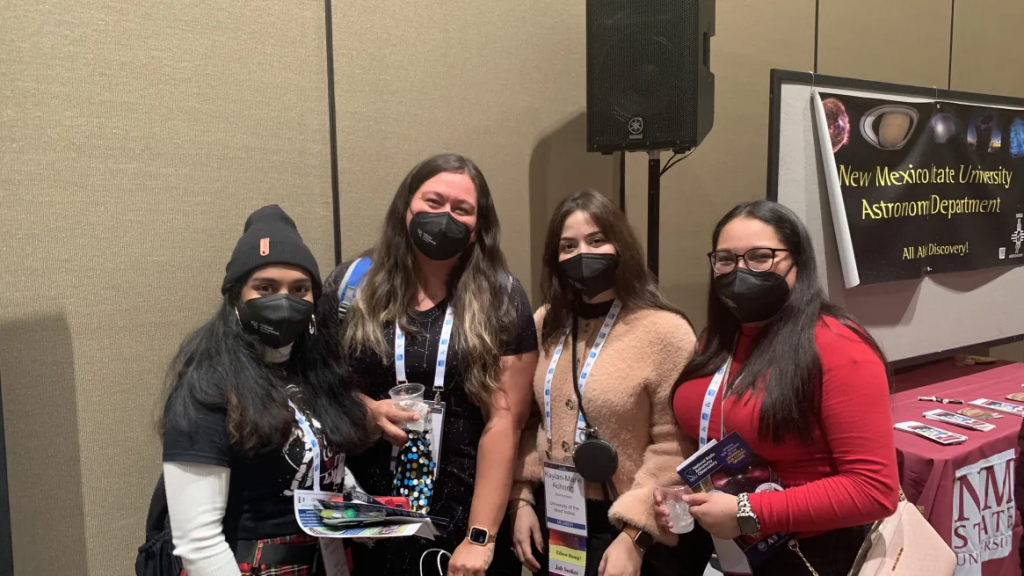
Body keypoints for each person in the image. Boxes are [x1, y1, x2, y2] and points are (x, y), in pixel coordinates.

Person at [324, 153, 538, 576]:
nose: (445, 216)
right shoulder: (351, 286)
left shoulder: (503, 298)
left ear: (478, 228)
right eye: (433, 202)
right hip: (362, 517)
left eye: (462, 209)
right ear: (407, 206)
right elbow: (317, 385)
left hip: (461, 517)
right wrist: (365, 407)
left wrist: (480, 537)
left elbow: (504, 422)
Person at [661, 200, 900, 575]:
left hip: (808, 554)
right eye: (726, 259)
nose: (740, 271)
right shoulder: (715, 341)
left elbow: (873, 490)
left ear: (797, 263)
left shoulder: (838, 345)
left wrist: (748, 513)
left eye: (760, 257)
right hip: (724, 548)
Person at [510, 190, 714, 576]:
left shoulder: (665, 331)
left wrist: (636, 534)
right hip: (558, 514)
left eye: (597, 240)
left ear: (622, 246)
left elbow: (675, 447)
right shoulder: (545, 324)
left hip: (630, 523)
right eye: (568, 245)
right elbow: (530, 422)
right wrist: (520, 501)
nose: (581, 253)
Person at [161, 205, 372, 576]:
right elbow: (198, 543)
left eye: (300, 289)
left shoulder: (316, 374)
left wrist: (375, 518)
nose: (285, 300)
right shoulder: (207, 385)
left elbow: (321, 467)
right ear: (236, 299)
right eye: (266, 288)